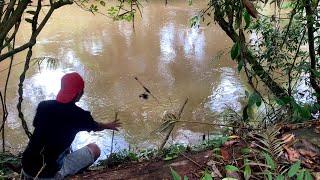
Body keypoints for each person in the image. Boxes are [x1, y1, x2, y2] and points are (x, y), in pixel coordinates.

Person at [21, 72, 121, 179]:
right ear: (79, 93)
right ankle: (64, 174)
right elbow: (96, 126)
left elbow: (37, 124)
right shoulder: (80, 115)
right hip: (46, 174)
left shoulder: (43, 106)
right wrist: (108, 125)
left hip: (26, 166)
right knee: (95, 149)